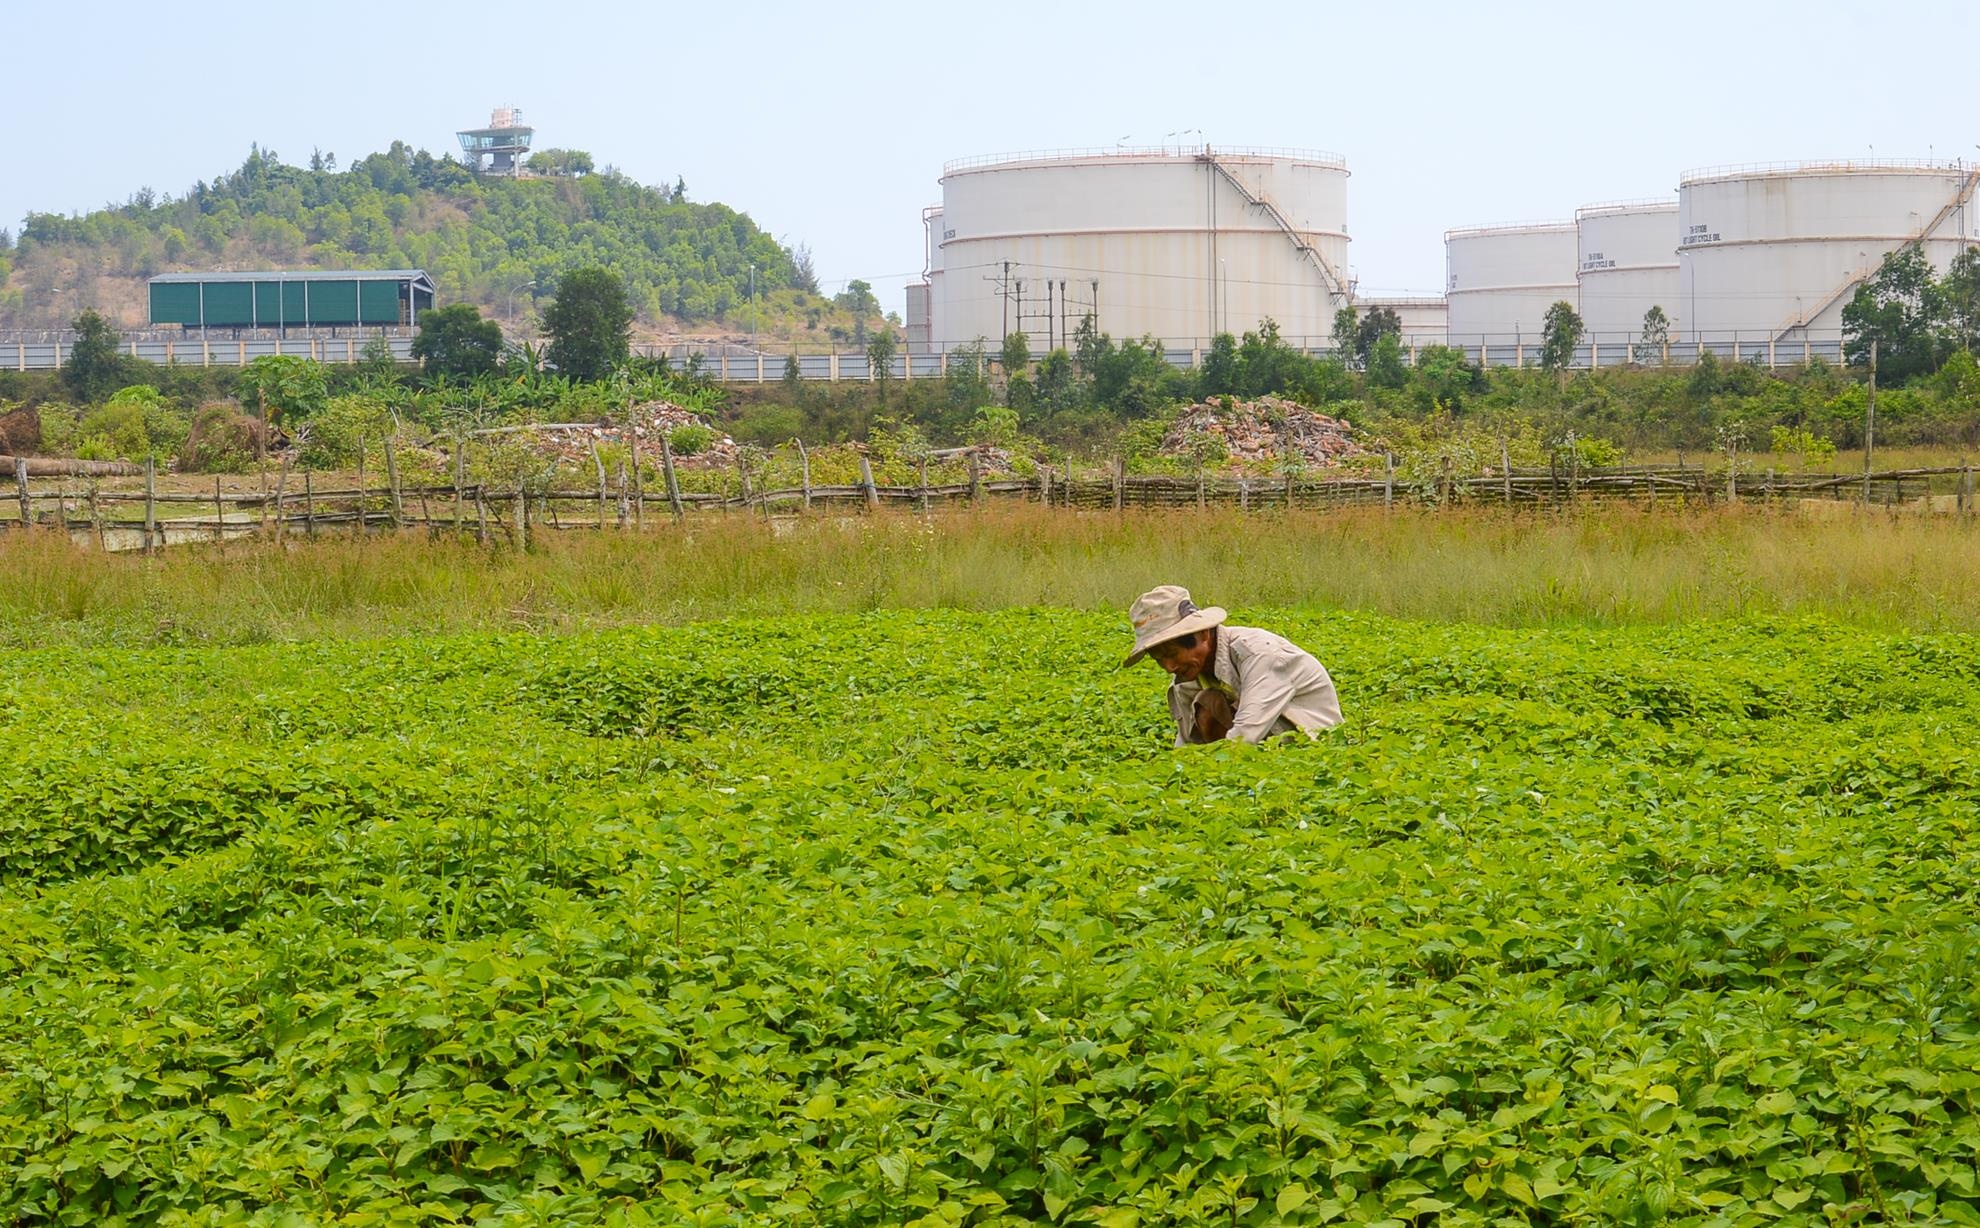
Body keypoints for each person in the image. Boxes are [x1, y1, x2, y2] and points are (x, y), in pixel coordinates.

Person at [1122, 585, 1342, 746]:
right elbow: (1187, 742)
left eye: (1172, 654)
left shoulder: (1262, 654)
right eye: (1159, 659)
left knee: (1212, 706)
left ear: (1201, 633)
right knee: (1206, 703)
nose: (1169, 666)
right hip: (1261, 749)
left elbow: (1246, 735)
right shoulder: (1188, 674)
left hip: (1312, 747)